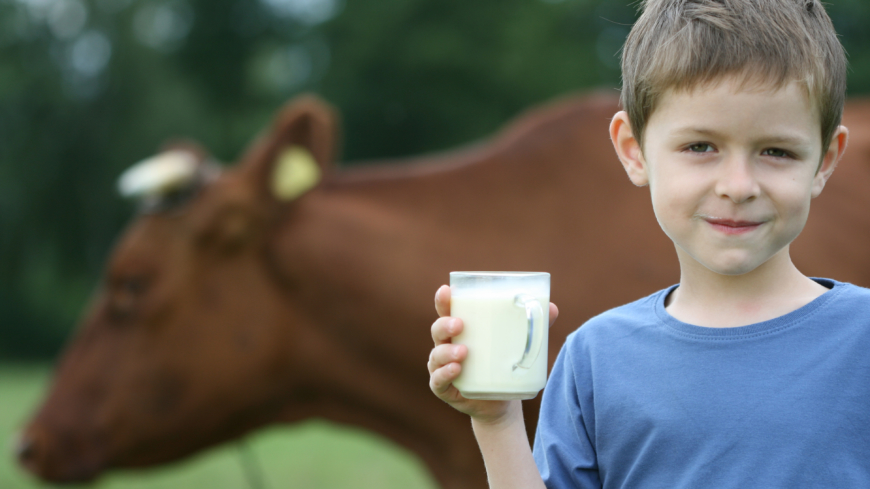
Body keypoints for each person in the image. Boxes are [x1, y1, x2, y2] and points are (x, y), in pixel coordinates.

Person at [426, 0, 870, 486]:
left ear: (825, 161)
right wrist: (497, 421)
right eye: (700, 146)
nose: (738, 185)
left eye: (777, 151)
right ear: (633, 151)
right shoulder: (594, 358)